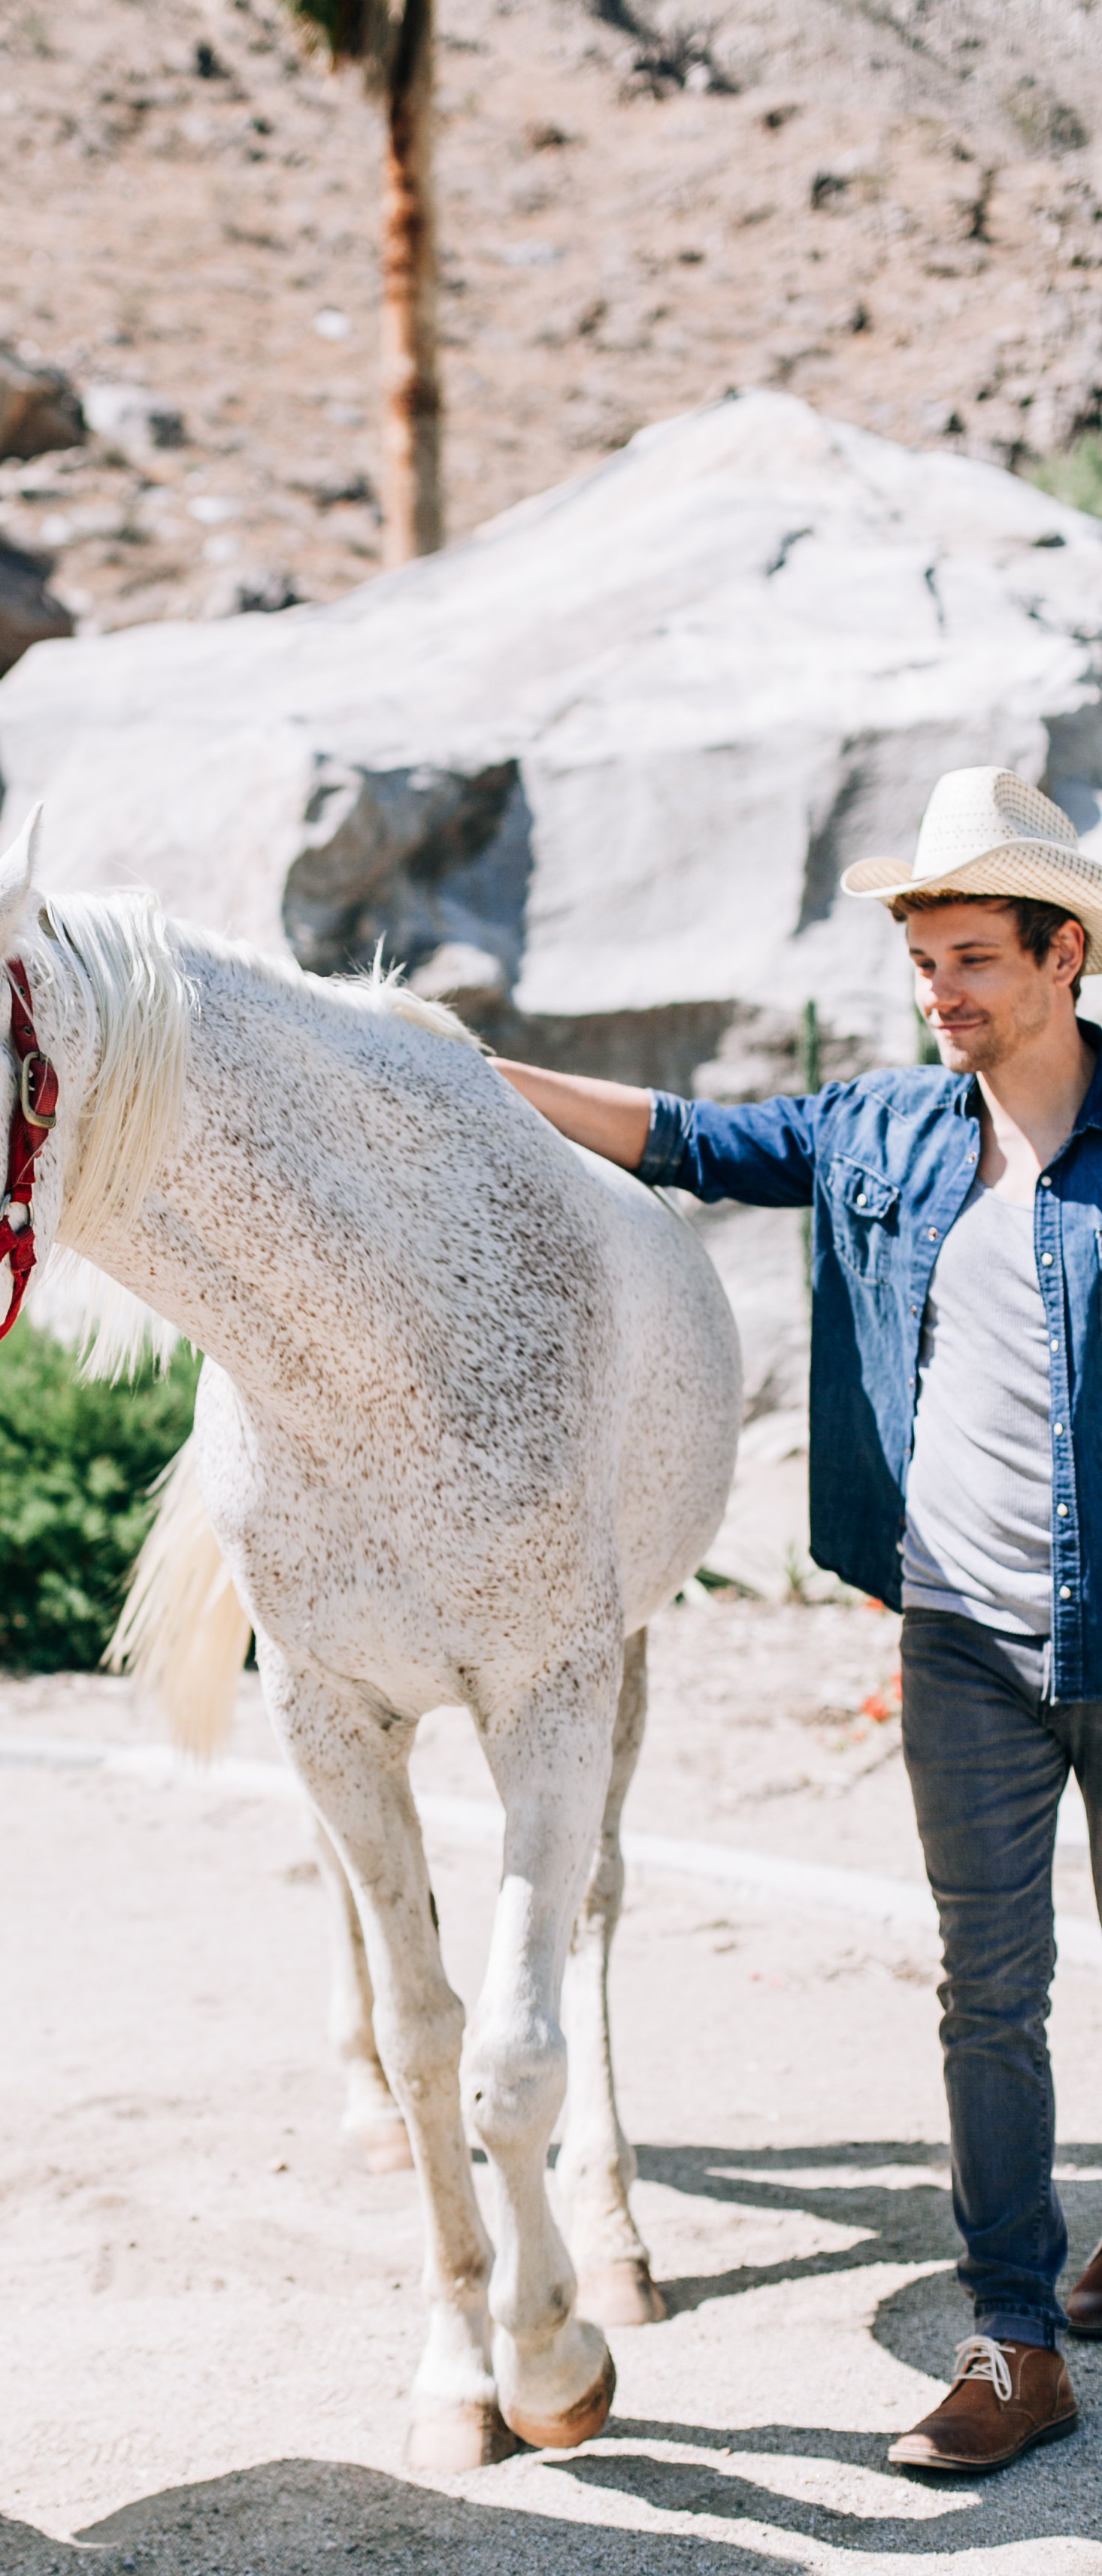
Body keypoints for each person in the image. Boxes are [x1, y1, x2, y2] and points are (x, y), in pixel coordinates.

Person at [492, 765, 1102, 2477]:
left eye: (974, 954)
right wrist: (462, 1075)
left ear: (1065, 955)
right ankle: (1013, 2339)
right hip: (963, 1647)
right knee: (989, 1993)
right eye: (924, 961)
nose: (943, 989)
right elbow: (677, 1137)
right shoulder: (882, 1133)